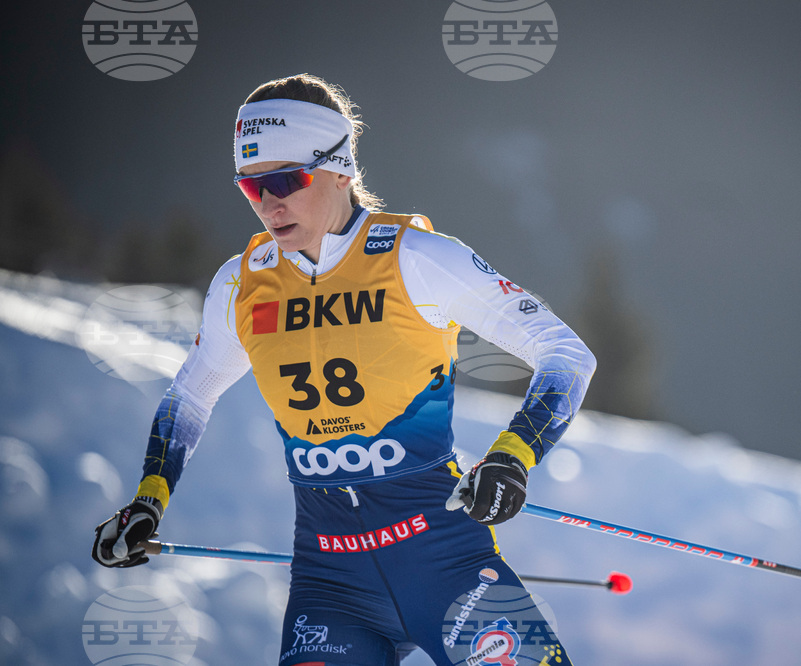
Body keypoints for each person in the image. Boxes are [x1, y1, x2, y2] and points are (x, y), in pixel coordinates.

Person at [92, 73, 596, 666]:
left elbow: (567, 354)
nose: (269, 203)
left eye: (286, 180)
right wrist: (149, 499)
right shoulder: (242, 283)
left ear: (340, 167)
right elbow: (190, 398)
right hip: (330, 588)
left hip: (446, 565)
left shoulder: (416, 258)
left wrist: (513, 454)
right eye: (251, 188)